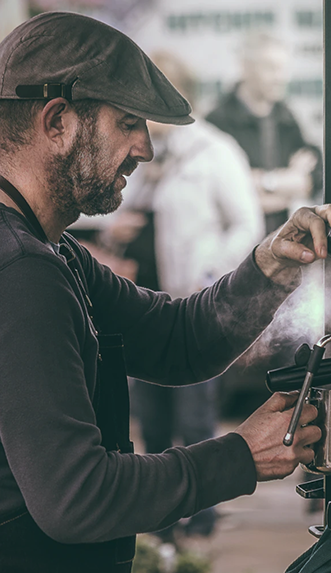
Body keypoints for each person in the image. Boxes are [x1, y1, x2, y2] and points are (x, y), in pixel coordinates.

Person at [0, 11, 331, 573]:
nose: (145, 147)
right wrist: (239, 456)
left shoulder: (55, 255)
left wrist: (271, 265)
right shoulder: (20, 271)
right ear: (57, 121)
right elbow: (77, 498)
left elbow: (176, 340)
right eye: (127, 123)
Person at [102, 50, 264, 540]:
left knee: (195, 420)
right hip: (140, 309)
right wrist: (115, 228)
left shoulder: (216, 151)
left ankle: (205, 517)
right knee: (148, 424)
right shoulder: (143, 158)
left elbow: (248, 223)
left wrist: (210, 273)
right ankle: (164, 522)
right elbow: (115, 210)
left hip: (188, 307)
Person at [206, 32, 323, 235]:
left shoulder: (286, 118)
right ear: (246, 67)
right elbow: (219, 194)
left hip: (282, 241)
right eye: (270, 68)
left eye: (283, 69)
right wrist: (286, 183)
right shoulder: (217, 121)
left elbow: (313, 179)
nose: (281, 77)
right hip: (233, 249)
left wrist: (262, 183)